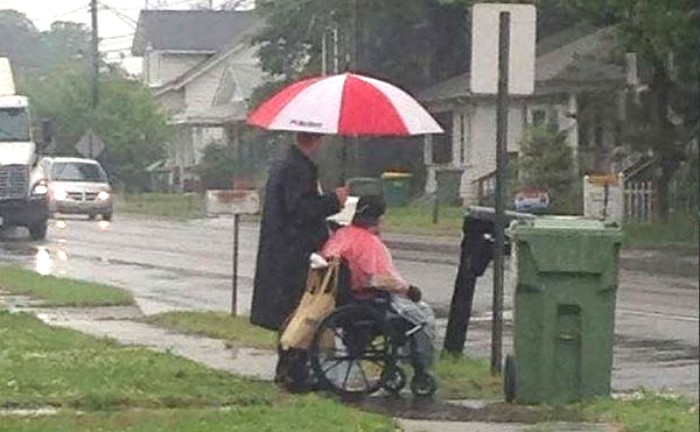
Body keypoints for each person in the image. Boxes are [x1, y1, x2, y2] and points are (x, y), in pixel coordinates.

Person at [321, 195, 436, 369]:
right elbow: (379, 279)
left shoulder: (340, 237)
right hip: (369, 303)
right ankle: (421, 366)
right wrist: (408, 290)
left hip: (341, 301)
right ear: (380, 219)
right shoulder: (370, 244)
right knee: (423, 315)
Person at [251, 132, 349, 331]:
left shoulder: (287, 163)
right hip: (294, 252)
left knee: (290, 318)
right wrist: (334, 200)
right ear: (317, 140)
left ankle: (293, 354)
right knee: (296, 315)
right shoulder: (297, 168)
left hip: (284, 248)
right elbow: (301, 209)